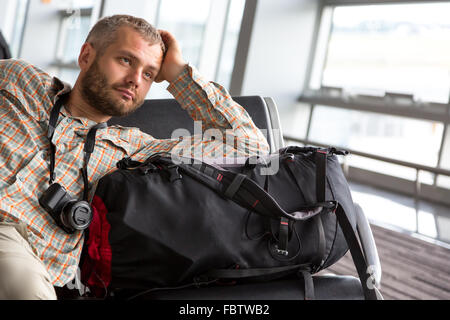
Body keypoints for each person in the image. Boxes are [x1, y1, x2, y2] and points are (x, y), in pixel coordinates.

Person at [0, 15, 269, 299]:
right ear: (86, 55)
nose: (135, 80)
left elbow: (251, 147)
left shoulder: (135, 150)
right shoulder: (20, 80)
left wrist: (178, 74)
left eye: (149, 74)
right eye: (126, 60)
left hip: (20, 257)